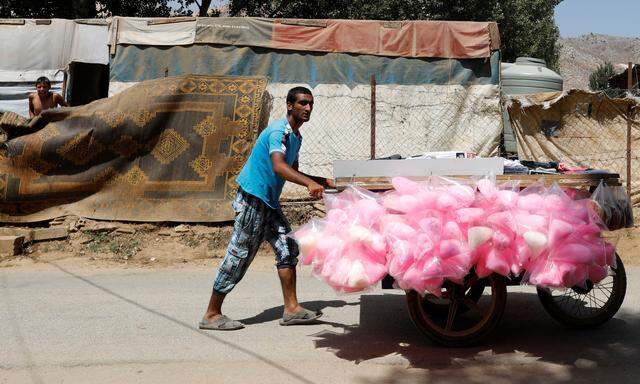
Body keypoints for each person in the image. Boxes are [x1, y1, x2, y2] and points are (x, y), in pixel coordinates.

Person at [199, 87, 335, 330]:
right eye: (303, 103)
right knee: (239, 255)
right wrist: (310, 184)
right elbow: (278, 167)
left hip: (268, 202)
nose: (308, 108)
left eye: (311, 104)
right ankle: (211, 314)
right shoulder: (278, 131)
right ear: (290, 106)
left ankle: (292, 309)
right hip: (253, 199)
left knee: (287, 246)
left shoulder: (295, 137)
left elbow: (294, 170)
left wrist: (324, 182)